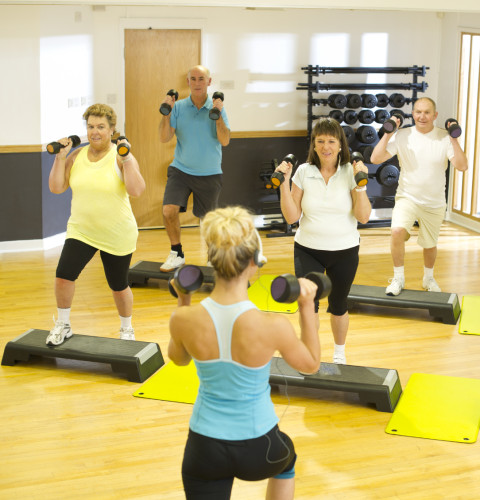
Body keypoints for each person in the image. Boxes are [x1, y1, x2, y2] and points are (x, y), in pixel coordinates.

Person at [168, 206, 321, 500]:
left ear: (212, 260)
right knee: (286, 458)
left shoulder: (183, 319)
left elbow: (179, 359)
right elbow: (311, 364)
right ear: (254, 261)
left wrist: (183, 301)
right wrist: (306, 306)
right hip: (259, 448)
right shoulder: (273, 325)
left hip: (204, 448)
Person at [46, 103, 146, 345]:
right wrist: (60, 158)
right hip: (82, 230)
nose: (95, 132)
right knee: (63, 276)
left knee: (118, 286)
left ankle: (126, 329)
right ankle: (63, 324)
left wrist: (127, 158)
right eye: (91, 126)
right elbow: (56, 187)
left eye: (101, 127)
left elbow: (137, 190)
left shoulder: (120, 156)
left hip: (116, 232)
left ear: (112, 130)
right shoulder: (76, 155)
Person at [275, 118, 371, 365]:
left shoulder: (350, 171)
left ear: (340, 145)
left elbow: (363, 217)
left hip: (345, 250)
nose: (325, 147)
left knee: (338, 304)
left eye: (331, 141)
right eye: (320, 141)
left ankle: (339, 354)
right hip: (308, 249)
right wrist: (284, 185)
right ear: (314, 145)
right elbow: (292, 217)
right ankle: (311, 351)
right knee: (308, 303)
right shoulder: (304, 172)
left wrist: (361, 186)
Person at [370, 97, 468, 296]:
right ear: (412, 114)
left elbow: (462, 165)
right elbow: (375, 158)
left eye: (427, 112)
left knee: (429, 244)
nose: (422, 116)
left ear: (435, 115)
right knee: (397, 231)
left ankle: (428, 278)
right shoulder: (402, 135)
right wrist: (388, 134)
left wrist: (454, 140)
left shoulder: (444, 137)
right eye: (418, 112)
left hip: (434, 201)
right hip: (407, 197)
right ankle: (398, 278)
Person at [158, 65, 231, 272]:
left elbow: (225, 141)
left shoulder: (217, 108)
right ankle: (176, 253)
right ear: (188, 82)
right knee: (168, 210)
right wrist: (166, 113)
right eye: (193, 79)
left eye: (201, 79)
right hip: (181, 169)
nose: (197, 83)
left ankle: (212, 256)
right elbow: (164, 137)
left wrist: (217, 115)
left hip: (209, 172)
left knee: (207, 220)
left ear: (209, 82)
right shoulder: (179, 107)